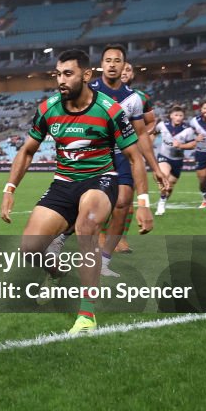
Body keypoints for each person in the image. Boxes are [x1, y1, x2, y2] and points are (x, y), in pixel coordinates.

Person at [0, 49, 154, 335]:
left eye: (68, 74)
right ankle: (58, 273)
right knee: (30, 248)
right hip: (63, 183)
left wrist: (143, 202)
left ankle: (86, 315)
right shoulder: (48, 108)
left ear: (86, 75)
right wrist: (10, 188)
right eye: (57, 74)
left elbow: (134, 158)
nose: (61, 80)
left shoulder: (109, 110)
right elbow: (27, 150)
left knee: (87, 226)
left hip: (100, 180)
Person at [87, 45, 167, 274]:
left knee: (122, 205)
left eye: (117, 61)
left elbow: (141, 134)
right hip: (93, 156)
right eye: (108, 60)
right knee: (90, 210)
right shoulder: (88, 90)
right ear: (101, 64)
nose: (112, 65)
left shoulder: (133, 99)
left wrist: (155, 167)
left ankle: (104, 262)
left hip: (122, 156)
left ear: (125, 67)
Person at [118, 62, 156, 250]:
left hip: (127, 153)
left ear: (132, 75)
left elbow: (150, 123)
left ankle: (121, 239)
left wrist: (142, 136)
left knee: (126, 199)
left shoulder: (140, 98)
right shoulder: (97, 94)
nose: (124, 72)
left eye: (128, 70)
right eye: (121, 68)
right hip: (102, 153)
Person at [154, 105, 198, 215]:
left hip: (177, 160)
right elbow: (153, 133)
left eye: (181, 115)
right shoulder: (162, 125)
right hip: (164, 156)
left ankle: (162, 200)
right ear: (171, 116)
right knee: (164, 175)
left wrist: (181, 146)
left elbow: (193, 145)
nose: (178, 117)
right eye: (176, 115)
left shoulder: (187, 130)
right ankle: (161, 201)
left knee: (171, 185)